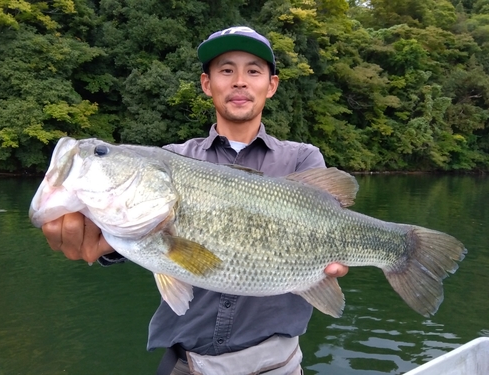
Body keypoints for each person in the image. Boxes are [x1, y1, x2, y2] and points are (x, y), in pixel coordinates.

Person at [42, 26, 349, 375]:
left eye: (253, 70)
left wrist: (327, 266)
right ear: (207, 84)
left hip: (277, 365)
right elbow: (140, 232)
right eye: (226, 70)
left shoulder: (303, 160)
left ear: (271, 85)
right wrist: (104, 241)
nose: (239, 81)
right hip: (188, 364)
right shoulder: (170, 159)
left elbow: (332, 222)